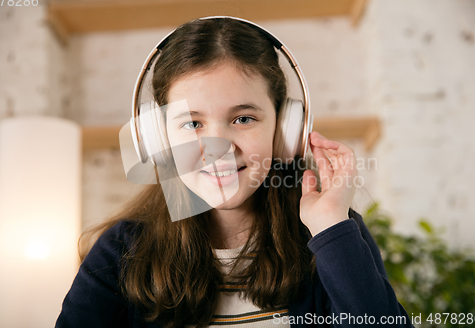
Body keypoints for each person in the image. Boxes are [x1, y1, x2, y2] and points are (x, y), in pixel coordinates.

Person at [55, 17, 414, 328]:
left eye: (243, 118)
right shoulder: (121, 251)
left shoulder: (336, 234)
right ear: (159, 139)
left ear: (286, 130)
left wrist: (332, 230)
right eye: (192, 122)